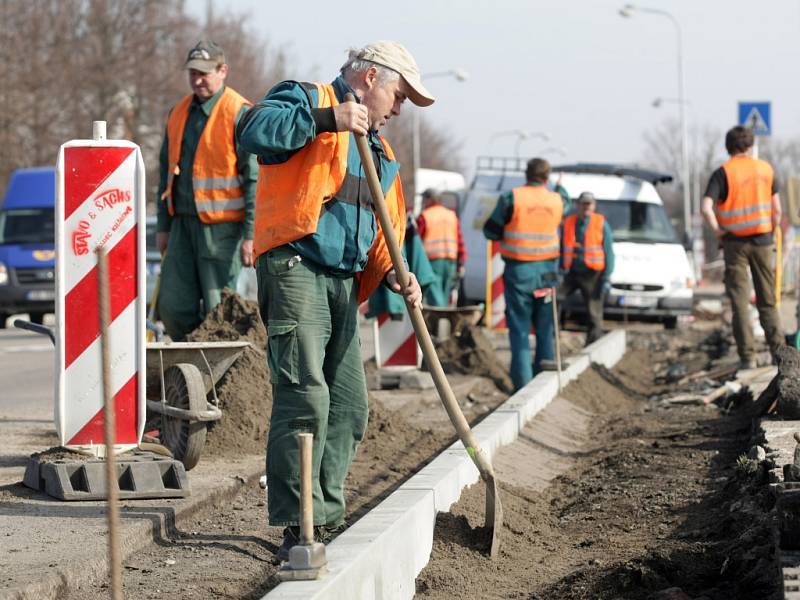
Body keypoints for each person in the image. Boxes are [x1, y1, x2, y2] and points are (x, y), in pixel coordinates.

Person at [236, 41, 431, 560]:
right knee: (306, 395)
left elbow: (385, 230)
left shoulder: (383, 155)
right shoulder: (305, 97)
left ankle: (324, 517)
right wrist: (327, 117)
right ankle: (299, 528)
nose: (400, 107)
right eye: (399, 94)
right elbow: (252, 131)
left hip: (344, 282)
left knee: (348, 405)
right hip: (296, 265)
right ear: (369, 78)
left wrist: (398, 273)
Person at [155, 41, 257, 341]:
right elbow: (165, 174)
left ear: (222, 71)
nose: (197, 80)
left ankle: (225, 378)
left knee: (221, 310)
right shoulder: (178, 113)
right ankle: (192, 365)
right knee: (172, 307)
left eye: (204, 73)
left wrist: (251, 235)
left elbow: (254, 179)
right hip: (182, 228)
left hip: (223, 231)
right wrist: (163, 226)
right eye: (192, 74)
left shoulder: (239, 113)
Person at [701, 125, 784, 368]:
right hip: (763, 241)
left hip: (734, 243)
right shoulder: (765, 169)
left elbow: (706, 208)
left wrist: (718, 231)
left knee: (739, 301)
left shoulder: (723, 173)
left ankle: (748, 358)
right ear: (750, 145)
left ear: (728, 147)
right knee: (767, 301)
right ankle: (780, 357)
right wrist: (770, 231)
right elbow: (777, 210)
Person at [483, 158, 564, 391]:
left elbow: (491, 230)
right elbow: (566, 200)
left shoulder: (512, 198)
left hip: (520, 271)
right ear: (547, 177)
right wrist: (559, 186)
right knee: (545, 325)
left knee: (519, 327)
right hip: (548, 271)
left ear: (526, 174)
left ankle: (523, 383)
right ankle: (545, 380)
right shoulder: (557, 200)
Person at [561, 191, 615, 346]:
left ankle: (593, 344)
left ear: (593, 206)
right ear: (578, 205)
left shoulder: (600, 223)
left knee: (594, 311)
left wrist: (606, 275)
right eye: (583, 203)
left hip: (593, 274)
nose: (586, 207)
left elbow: (608, 250)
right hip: (571, 272)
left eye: (589, 204)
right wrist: (560, 268)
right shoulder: (569, 222)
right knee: (555, 298)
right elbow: (562, 247)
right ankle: (553, 334)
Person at [416, 188, 466, 306]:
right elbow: (460, 241)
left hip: (432, 261)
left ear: (429, 200)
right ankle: (443, 319)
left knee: (435, 294)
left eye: (424, 199)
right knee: (444, 294)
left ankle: (438, 320)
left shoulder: (425, 216)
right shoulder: (451, 215)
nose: (422, 202)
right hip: (451, 262)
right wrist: (461, 261)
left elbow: (416, 241)